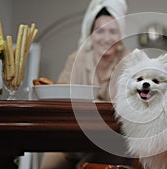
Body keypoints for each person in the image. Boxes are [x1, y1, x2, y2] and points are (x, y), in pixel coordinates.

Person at [40, 0, 131, 168]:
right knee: (47, 165)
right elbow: (61, 90)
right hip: (73, 138)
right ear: (91, 34)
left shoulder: (129, 61)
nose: (106, 38)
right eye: (100, 31)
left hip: (111, 140)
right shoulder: (77, 59)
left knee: (84, 166)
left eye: (113, 31)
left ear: (121, 35)